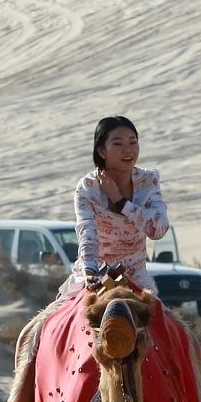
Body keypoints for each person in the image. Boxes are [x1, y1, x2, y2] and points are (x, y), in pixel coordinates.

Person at [73, 116, 170, 294]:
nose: (128, 150)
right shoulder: (87, 188)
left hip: (136, 279)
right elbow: (87, 232)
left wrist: (121, 202)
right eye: (118, 144)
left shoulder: (148, 181)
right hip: (95, 276)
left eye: (133, 142)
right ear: (102, 150)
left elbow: (159, 229)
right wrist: (89, 271)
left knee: (165, 321)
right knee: (56, 319)